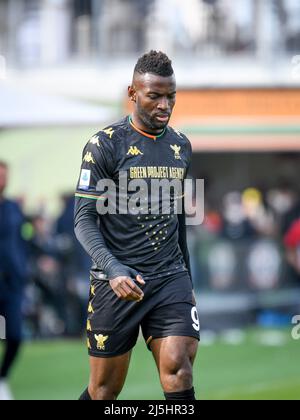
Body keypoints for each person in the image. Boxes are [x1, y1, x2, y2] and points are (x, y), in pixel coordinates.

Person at [75, 51, 200, 401]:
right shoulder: (104, 146)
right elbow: (83, 221)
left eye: (171, 96)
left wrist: (187, 280)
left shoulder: (180, 145)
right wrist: (113, 269)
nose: (165, 105)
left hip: (168, 278)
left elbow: (178, 219)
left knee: (178, 367)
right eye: (155, 96)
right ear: (132, 93)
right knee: (104, 390)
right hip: (117, 281)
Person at [0, 161, 27, 400]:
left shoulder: (13, 208)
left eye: (4, 176)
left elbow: (24, 237)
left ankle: (3, 376)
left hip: (12, 284)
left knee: (15, 336)